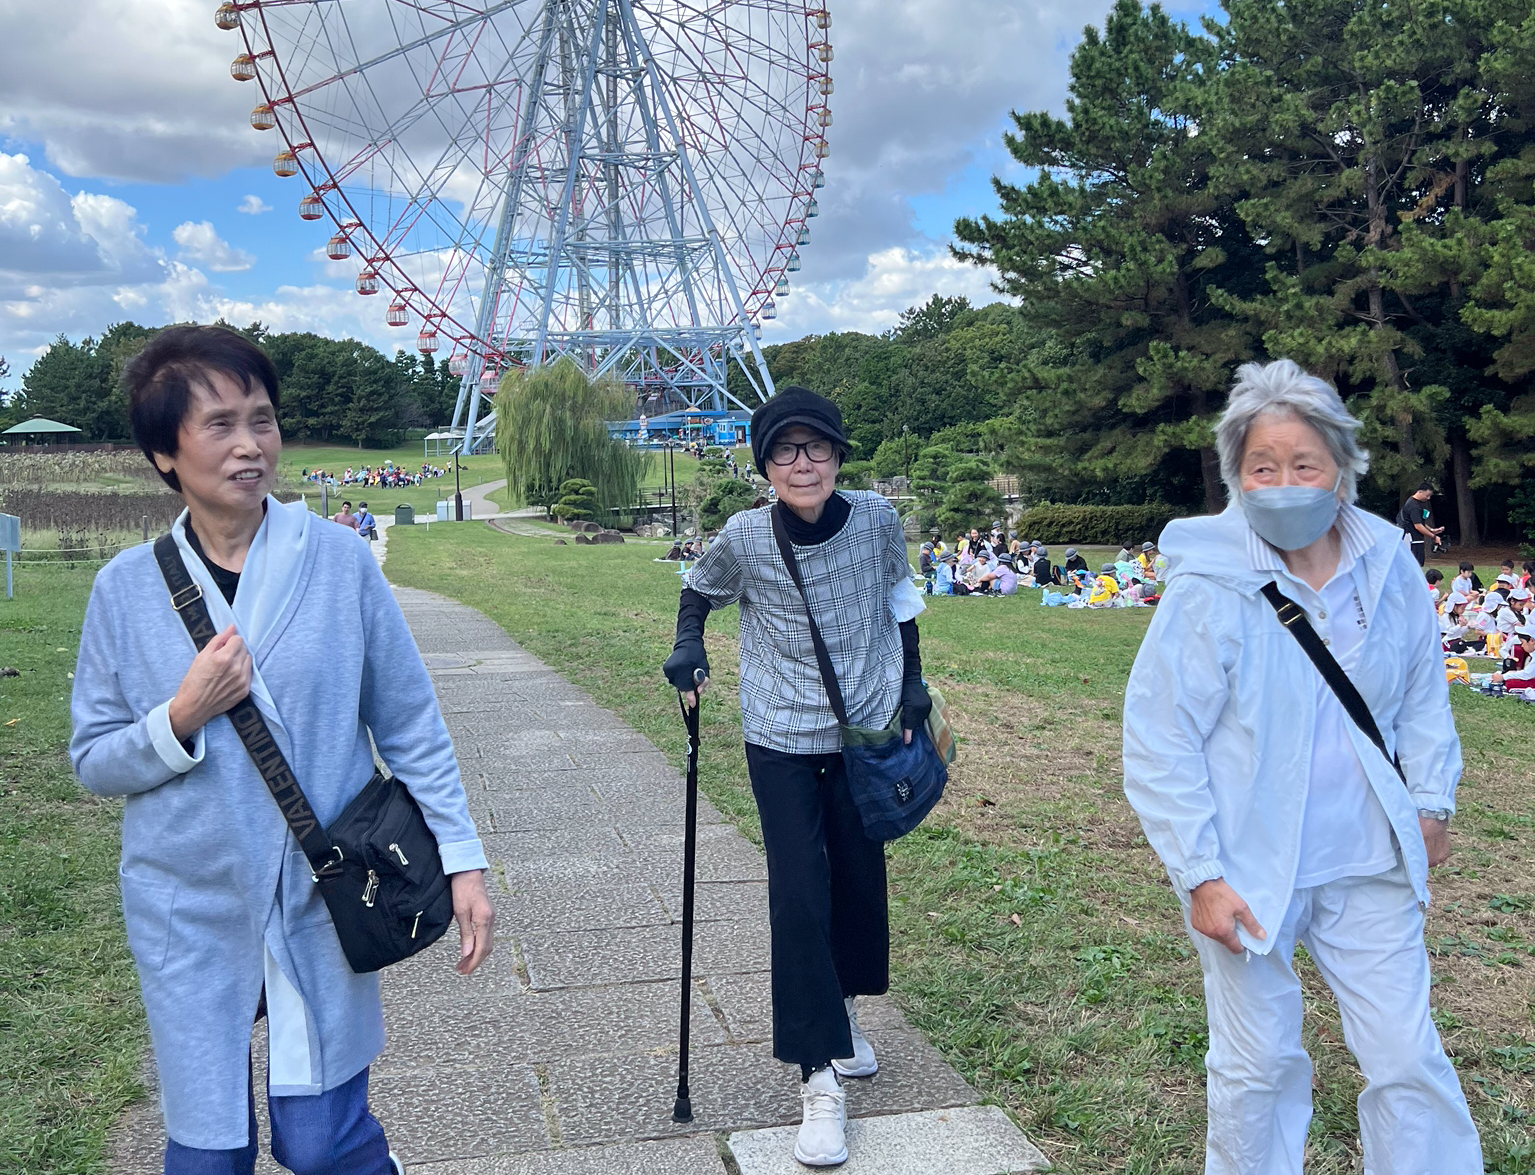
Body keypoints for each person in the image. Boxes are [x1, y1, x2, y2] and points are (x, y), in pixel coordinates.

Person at [71, 326, 495, 1175]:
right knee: (208, 1150)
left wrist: (462, 857)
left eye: (261, 419)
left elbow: (409, 723)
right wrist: (181, 716)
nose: (249, 445)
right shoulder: (124, 588)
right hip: (189, 900)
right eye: (219, 424)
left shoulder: (337, 562)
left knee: (323, 1140)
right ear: (164, 452)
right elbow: (93, 758)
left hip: (322, 888)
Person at [1122, 358, 1480, 1174]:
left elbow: (1423, 693)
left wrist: (1430, 801)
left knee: (1406, 1056)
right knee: (1257, 1066)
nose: (1283, 483)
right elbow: (1160, 737)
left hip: (1367, 854)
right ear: (1235, 477)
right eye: (1262, 466)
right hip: (1247, 866)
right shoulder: (1209, 584)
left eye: (1303, 464)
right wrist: (1199, 872)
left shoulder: (1387, 567)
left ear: (1342, 470)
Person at [661, 387, 931, 1169]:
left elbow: (900, 600)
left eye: (816, 446)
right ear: (766, 464)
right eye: (784, 449)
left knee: (856, 879)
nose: (801, 462)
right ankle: (817, 1077)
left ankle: (840, 1012)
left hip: (863, 731)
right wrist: (688, 644)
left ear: (838, 455)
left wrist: (913, 682)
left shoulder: (876, 519)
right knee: (799, 894)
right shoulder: (746, 535)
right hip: (779, 735)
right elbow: (697, 588)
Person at [1396, 481, 1442, 566]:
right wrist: (1434, 537)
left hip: (1416, 539)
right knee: (1416, 565)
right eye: (1427, 495)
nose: (1428, 498)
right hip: (1413, 540)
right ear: (1420, 492)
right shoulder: (1414, 506)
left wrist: (1431, 530)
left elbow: (1418, 521)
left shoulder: (1416, 503)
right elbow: (1418, 526)